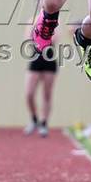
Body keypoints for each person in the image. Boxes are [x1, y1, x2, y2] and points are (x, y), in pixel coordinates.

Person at [24, 9, 60, 138]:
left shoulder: (55, 21)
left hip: (49, 58)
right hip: (35, 58)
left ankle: (44, 123)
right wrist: (37, 29)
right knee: (29, 94)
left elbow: (54, 39)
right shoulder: (32, 20)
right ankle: (34, 119)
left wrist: (42, 34)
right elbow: (28, 39)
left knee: (47, 94)